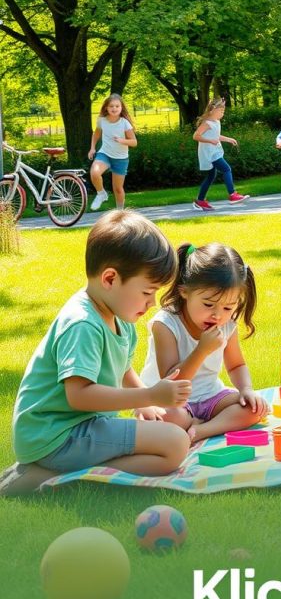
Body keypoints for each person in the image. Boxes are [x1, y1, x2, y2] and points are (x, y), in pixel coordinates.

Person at [0, 211, 191, 497]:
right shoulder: (83, 324)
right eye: (147, 292)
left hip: (77, 427)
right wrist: (149, 395)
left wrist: (145, 403)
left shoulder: (119, 315)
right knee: (175, 444)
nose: (152, 302)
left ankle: (55, 470)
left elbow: (122, 366)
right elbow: (79, 395)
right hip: (57, 436)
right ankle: (54, 475)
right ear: (110, 279)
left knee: (173, 419)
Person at [141, 242, 268, 442]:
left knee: (255, 408)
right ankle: (195, 424)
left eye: (228, 308)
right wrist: (202, 350)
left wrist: (246, 390)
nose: (218, 315)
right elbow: (171, 380)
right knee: (166, 418)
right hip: (170, 401)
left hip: (210, 397)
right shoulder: (165, 324)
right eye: (208, 304)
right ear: (185, 292)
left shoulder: (226, 325)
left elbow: (236, 365)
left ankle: (200, 430)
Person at [192, 98, 249, 211]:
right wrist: (209, 141)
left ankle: (200, 200)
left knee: (211, 176)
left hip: (214, 151)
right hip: (209, 153)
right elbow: (195, 136)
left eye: (223, 111)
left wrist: (228, 139)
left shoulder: (216, 122)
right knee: (226, 169)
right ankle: (232, 194)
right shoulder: (207, 123)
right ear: (213, 110)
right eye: (221, 111)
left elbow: (216, 136)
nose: (223, 113)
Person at [88, 93, 137, 211]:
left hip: (121, 158)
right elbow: (96, 134)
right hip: (105, 153)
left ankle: (120, 212)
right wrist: (92, 148)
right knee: (94, 173)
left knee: (118, 189)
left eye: (117, 106)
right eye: (111, 106)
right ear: (106, 108)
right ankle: (101, 193)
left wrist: (122, 140)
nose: (114, 108)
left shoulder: (124, 123)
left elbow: (134, 142)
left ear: (121, 108)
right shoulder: (101, 121)